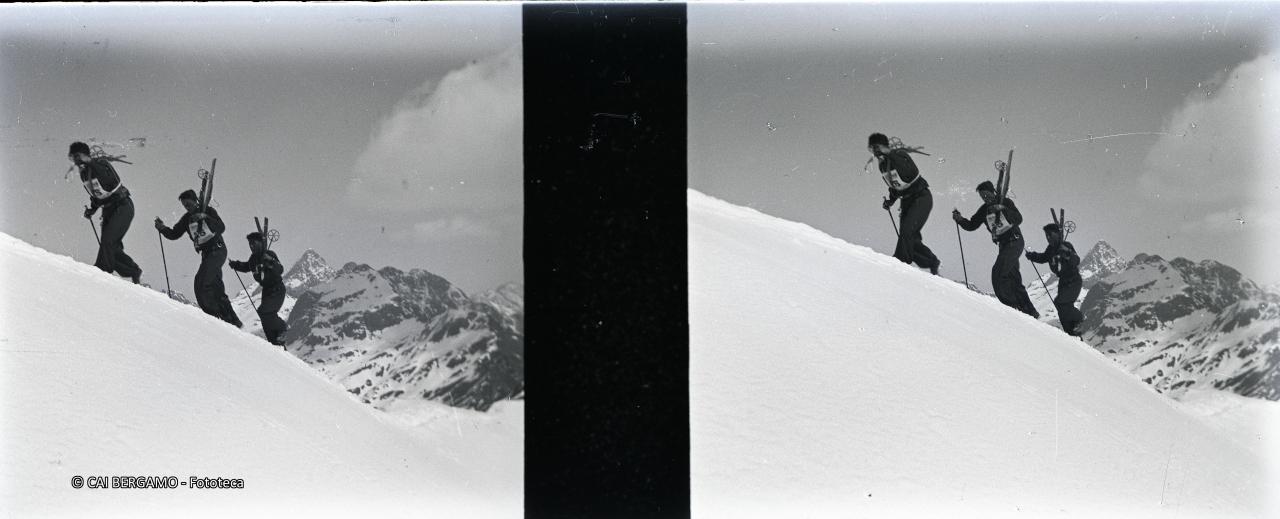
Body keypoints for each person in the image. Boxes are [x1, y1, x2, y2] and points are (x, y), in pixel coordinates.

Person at [154, 190, 242, 327]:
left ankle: (214, 316)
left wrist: (205, 217)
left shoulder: (208, 211)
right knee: (215, 286)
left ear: (196, 201)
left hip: (217, 250)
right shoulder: (186, 219)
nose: (187, 208)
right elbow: (174, 234)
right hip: (207, 255)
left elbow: (221, 227)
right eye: (185, 206)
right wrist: (162, 228)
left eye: (189, 204)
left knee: (201, 282)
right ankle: (233, 321)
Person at [952, 181, 1039, 318]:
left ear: (993, 191)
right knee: (1013, 278)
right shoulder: (984, 210)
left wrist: (1003, 209)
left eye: (987, 195)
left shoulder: (1006, 202)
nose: (985, 198)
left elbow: (1018, 218)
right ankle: (1030, 312)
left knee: (998, 272)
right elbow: (972, 225)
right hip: (1004, 245)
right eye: (982, 197)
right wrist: (960, 219)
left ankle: (1012, 306)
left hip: (1015, 241)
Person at [70, 141, 141, 283]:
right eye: (72, 157)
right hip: (108, 209)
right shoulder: (84, 173)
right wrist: (92, 209)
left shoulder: (101, 164)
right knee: (110, 245)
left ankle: (102, 271)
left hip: (122, 206)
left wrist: (91, 162)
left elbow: (111, 181)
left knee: (108, 241)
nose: (75, 161)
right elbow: (96, 195)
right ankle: (132, 270)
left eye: (78, 156)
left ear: (85, 155)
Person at [869, 133, 940, 275]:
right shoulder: (882, 165)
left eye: (877, 147)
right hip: (906, 200)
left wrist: (891, 154)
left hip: (921, 197)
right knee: (908, 237)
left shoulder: (900, 155)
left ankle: (899, 263)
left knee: (907, 231)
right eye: (871, 148)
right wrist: (890, 201)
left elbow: (910, 173)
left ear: (885, 147)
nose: (875, 151)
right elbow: (895, 186)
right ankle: (931, 261)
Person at [229, 232, 288, 346]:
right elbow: (246, 267)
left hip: (277, 289)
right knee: (265, 318)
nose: (251, 246)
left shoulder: (269, 254)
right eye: (250, 244)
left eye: (254, 243)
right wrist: (235, 265)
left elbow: (280, 269)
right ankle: (275, 343)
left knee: (264, 312)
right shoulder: (253, 259)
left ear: (261, 243)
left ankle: (282, 327)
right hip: (266, 290)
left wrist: (270, 261)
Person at [1026, 223, 1084, 336]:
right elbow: (1043, 258)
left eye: (1050, 235)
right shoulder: (1051, 249)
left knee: (1060, 303)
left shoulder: (1066, 245)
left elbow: (1076, 260)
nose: (1048, 238)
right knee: (1061, 308)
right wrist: (1032, 256)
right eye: (1046, 235)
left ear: (1058, 234)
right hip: (1063, 281)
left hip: (1073, 280)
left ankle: (1079, 318)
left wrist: (1067, 253)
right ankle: (1071, 332)